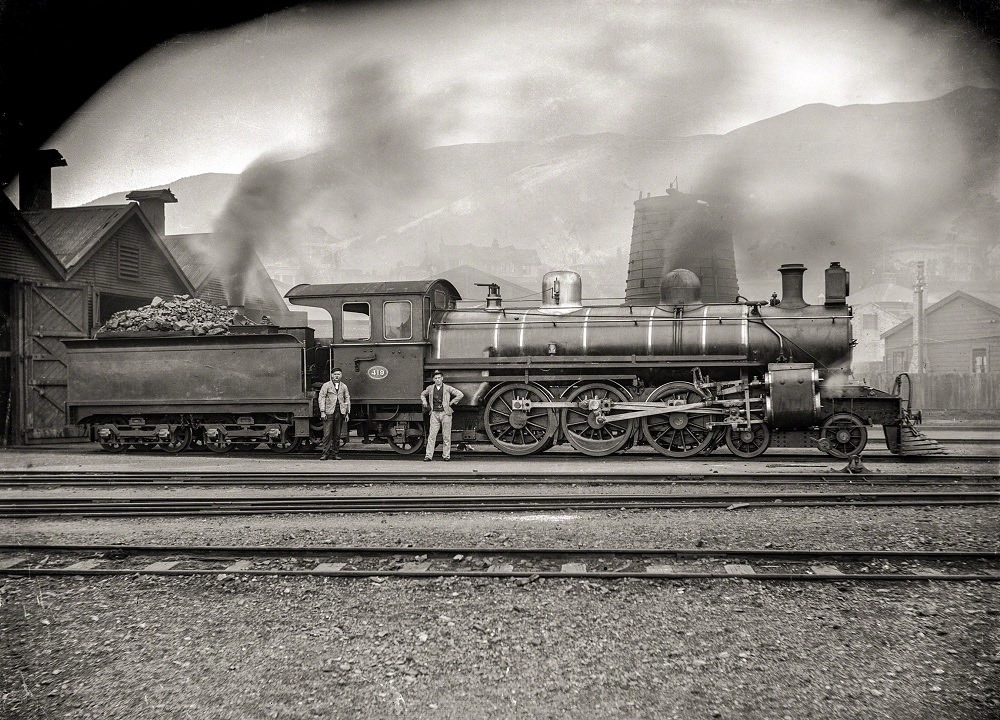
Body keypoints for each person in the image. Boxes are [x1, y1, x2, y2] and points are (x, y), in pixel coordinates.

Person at [420, 371, 464, 461]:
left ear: (442, 378)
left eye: (439, 378)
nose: (437, 380)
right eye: (436, 378)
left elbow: (460, 394)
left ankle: (446, 456)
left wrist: (452, 402)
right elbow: (422, 394)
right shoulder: (430, 388)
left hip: (446, 414)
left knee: (446, 436)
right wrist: (424, 401)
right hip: (434, 414)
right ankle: (428, 456)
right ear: (433, 379)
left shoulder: (447, 388)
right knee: (432, 436)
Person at [318, 367, 350, 460]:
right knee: (327, 434)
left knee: (337, 434)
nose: (337, 376)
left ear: (341, 375)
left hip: (339, 412)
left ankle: (335, 454)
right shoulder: (326, 385)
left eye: (338, 374)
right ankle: (325, 454)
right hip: (328, 412)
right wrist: (322, 411)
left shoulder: (344, 386)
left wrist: (347, 412)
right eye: (335, 374)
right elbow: (321, 398)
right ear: (332, 375)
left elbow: (347, 399)